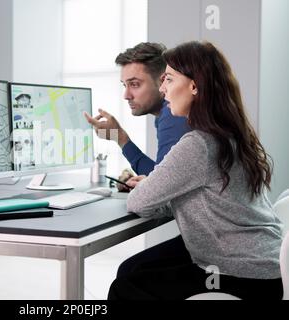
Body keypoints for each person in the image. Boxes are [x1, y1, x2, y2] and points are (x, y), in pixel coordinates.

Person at [108, 41, 284, 300]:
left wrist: (150, 186)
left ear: (193, 86)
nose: (163, 87)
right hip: (269, 266)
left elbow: (138, 202)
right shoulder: (231, 135)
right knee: (133, 269)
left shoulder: (198, 143)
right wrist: (160, 187)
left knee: (124, 288)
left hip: (240, 274)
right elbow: (205, 196)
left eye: (168, 79)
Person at [84, 42, 191, 279]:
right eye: (124, 85)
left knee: (129, 276)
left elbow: (159, 190)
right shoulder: (168, 116)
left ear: (162, 81)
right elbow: (164, 178)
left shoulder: (172, 117)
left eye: (135, 84)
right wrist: (122, 139)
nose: (126, 95)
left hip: (224, 256)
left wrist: (145, 183)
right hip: (231, 248)